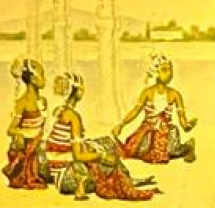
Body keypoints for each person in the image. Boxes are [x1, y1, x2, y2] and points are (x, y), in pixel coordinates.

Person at [48, 71, 159, 201]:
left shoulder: (60, 111)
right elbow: (78, 155)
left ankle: (126, 178)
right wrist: (103, 156)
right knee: (108, 161)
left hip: (58, 170)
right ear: (77, 92)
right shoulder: (73, 117)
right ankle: (125, 180)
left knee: (106, 142)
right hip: (67, 177)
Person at [112, 52, 197, 164]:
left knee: (171, 152)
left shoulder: (175, 94)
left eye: (170, 70)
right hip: (148, 130)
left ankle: (188, 147)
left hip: (167, 132)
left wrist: (187, 126)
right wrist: (121, 124)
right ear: (155, 72)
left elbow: (182, 117)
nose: (169, 74)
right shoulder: (147, 92)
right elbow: (136, 111)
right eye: (165, 70)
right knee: (135, 151)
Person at [2, 57, 50, 190]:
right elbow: (10, 129)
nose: (45, 79)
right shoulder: (22, 102)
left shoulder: (42, 101)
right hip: (29, 146)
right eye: (42, 75)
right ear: (33, 79)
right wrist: (21, 134)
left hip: (39, 143)